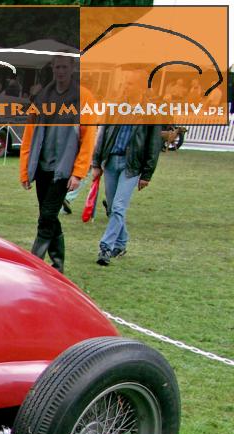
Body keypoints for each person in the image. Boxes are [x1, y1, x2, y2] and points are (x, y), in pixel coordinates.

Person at [19, 57, 96, 273]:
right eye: (57, 66)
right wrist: (26, 169)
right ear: (52, 69)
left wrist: (79, 172)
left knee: (47, 216)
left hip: (64, 169)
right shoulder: (43, 96)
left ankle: (34, 264)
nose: (60, 71)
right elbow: (29, 134)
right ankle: (58, 265)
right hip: (42, 166)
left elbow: (88, 137)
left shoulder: (84, 98)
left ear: (72, 69)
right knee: (48, 215)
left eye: (64, 67)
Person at [90, 124, 162, 265]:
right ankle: (121, 242)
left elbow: (154, 144)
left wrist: (147, 174)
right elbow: (103, 134)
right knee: (112, 208)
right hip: (111, 161)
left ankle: (105, 247)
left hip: (131, 166)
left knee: (118, 207)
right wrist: (96, 163)